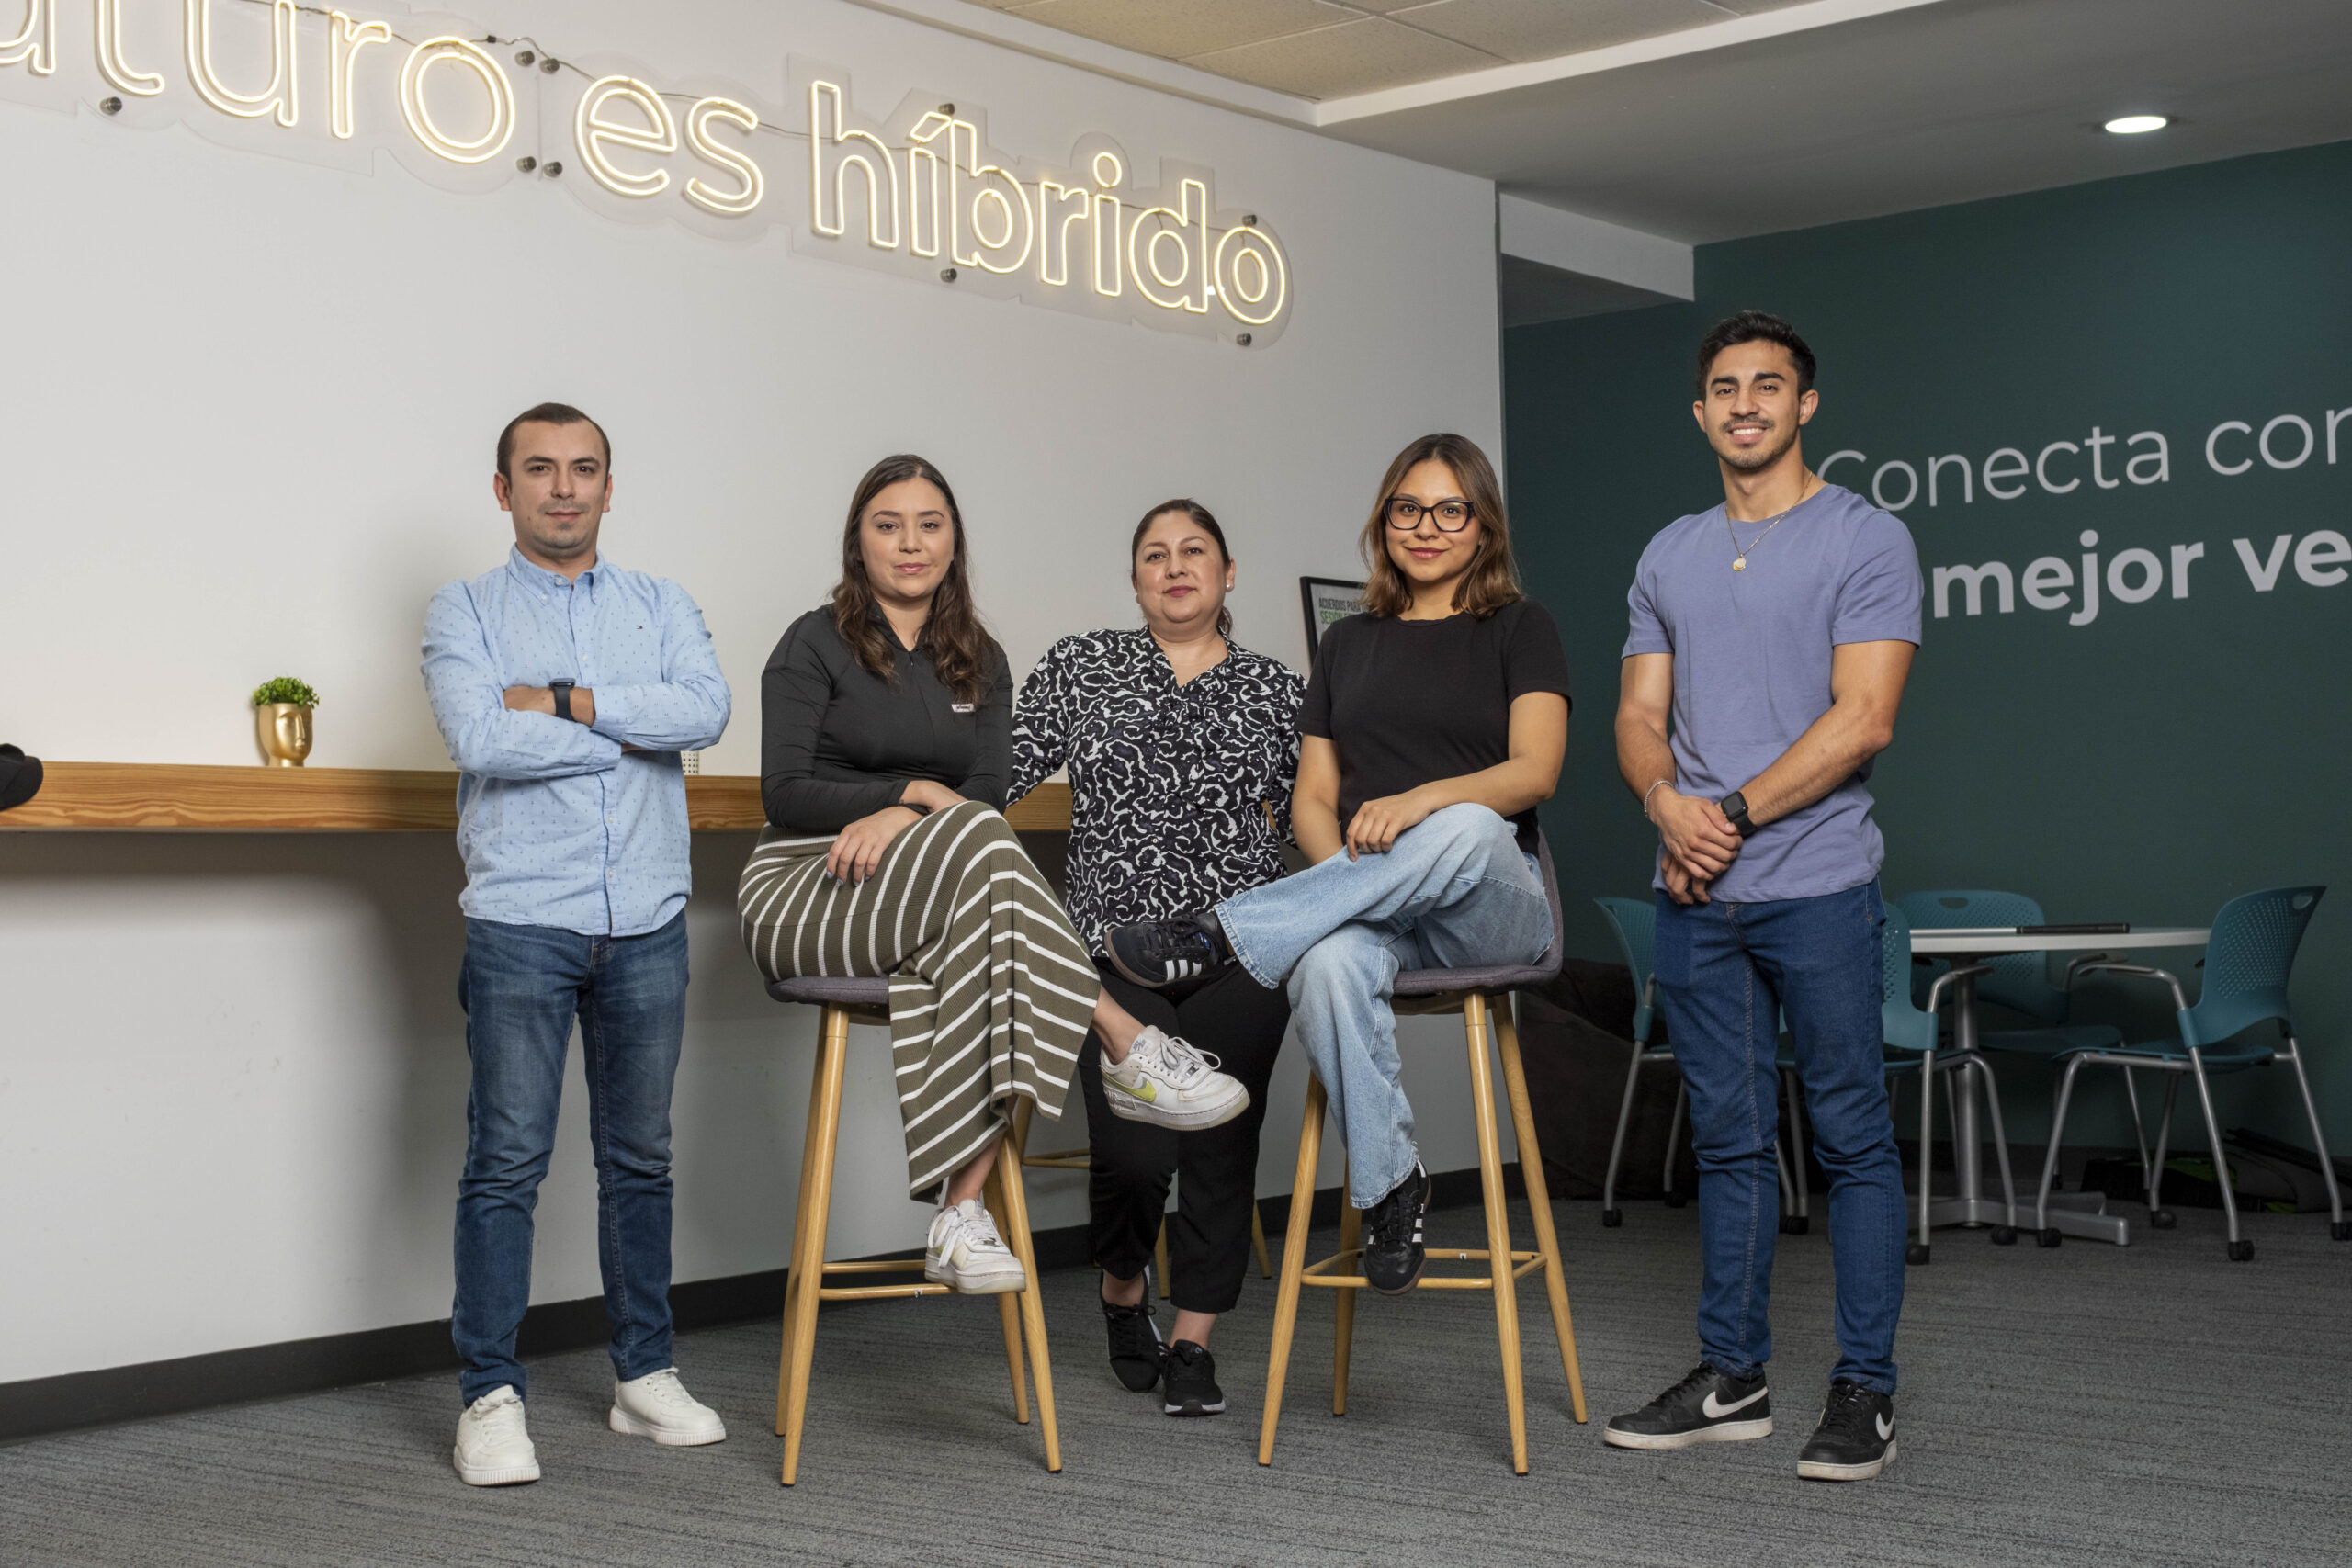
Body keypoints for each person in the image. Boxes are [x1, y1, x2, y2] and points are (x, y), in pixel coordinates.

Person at [737, 456, 1250, 1302]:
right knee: (985, 850)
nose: (910, 542)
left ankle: (962, 1212)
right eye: (888, 524)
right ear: (858, 543)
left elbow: (979, 798)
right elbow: (784, 792)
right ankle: (1123, 1038)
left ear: (954, 541)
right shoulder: (813, 641)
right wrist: (907, 792)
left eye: (929, 524)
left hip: (933, 884)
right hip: (810, 882)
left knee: (993, 915)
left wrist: (909, 817)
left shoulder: (981, 657)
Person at [1102, 434, 1568, 1297]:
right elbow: (1312, 802)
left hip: (1490, 901)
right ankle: (1393, 1183)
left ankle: (1221, 934)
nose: (1425, 526)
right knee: (1320, 964)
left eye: (1450, 510)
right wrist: (1348, 891)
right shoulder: (1347, 643)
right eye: (1407, 508)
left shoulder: (1519, 626)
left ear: (1483, 526)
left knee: (1467, 824)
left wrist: (1419, 803)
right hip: (1386, 910)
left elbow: (1534, 773)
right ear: (1384, 521)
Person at [1604, 311, 1922, 1483]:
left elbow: (1863, 719)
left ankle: (1865, 1391)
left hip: (1818, 887)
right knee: (1729, 1145)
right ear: (1701, 414)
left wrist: (1723, 817)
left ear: (1804, 405)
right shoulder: (1668, 553)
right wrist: (1664, 807)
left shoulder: (1866, 537)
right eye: (1726, 388)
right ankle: (1730, 1378)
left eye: (1768, 386)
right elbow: (1639, 717)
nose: (1746, 404)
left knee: (1852, 1141)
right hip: (1696, 896)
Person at [421, 402, 734, 1488]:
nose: (564, 487)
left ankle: (644, 1375)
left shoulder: (662, 603)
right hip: (521, 918)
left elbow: (704, 713)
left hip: (646, 915)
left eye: (584, 468)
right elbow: (478, 735)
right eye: (540, 468)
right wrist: (621, 736)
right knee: (505, 1163)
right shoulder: (463, 608)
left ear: (609, 485)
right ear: (502, 489)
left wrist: (562, 703)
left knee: (639, 1161)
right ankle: (489, 1394)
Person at [1010, 499, 1302, 1417]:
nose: (1174, 567)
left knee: (1221, 1141)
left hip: (1241, 943)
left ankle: (1193, 1340)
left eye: (1194, 551)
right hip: (1109, 947)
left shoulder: (1278, 689)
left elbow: (1315, 814)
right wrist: (901, 792)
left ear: (1227, 572)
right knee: (1133, 1155)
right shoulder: (1081, 665)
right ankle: (1123, 1284)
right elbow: (997, 772)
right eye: (1154, 555)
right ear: (1135, 579)